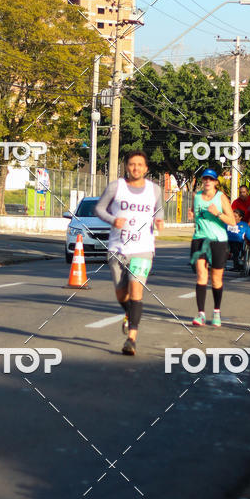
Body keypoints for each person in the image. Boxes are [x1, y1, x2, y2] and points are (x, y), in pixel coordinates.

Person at [94, 149, 164, 356]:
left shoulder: (154, 189)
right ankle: (129, 314)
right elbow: (99, 209)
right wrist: (113, 220)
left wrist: (159, 219)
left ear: (146, 168)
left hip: (143, 248)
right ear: (126, 167)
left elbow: (158, 209)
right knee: (121, 293)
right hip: (117, 248)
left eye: (140, 165)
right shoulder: (116, 187)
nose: (136, 168)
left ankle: (131, 339)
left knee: (136, 291)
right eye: (132, 164)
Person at [187, 169, 234, 327]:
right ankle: (201, 314)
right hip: (200, 239)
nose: (207, 181)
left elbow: (232, 221)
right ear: (202, 180)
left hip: (218, 241)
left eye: (211, 179)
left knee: (216, 279)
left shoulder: (221, 197)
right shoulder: (197, 196)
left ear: (215, 182)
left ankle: (216, 312)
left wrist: (217, 214)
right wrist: (191, 214)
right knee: (201, 275)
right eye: (205, 178)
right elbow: (195, 212)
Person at [227, 208, 250, 273]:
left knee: (235, 248)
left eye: (235, 216)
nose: (233, 218)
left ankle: (237, 266)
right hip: (227, 241)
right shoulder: (226, 223)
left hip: (238, 242)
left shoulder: (244, 225)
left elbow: (249, 235)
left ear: (240, 217)